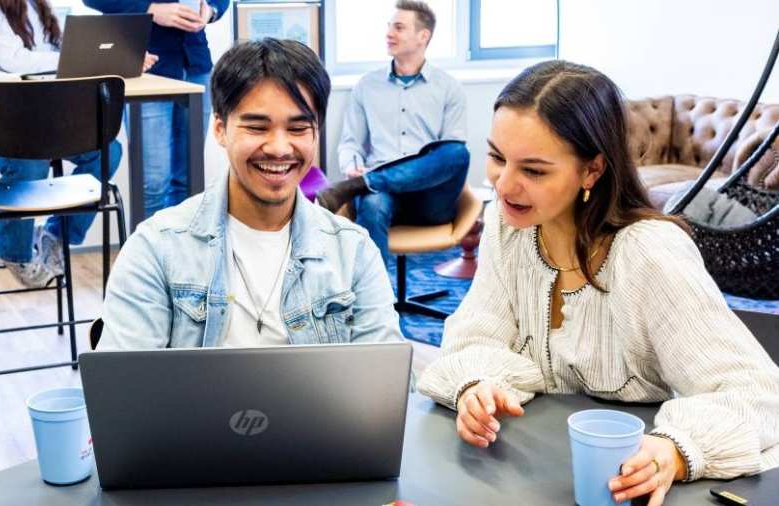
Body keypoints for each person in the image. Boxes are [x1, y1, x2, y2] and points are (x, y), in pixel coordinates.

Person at [416, 60, 779, 506]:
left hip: (634, 483)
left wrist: (675, 452)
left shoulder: (650, 253)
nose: (504, 184)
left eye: (533, 170)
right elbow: (477, 335)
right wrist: (477, 386)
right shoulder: (507, 228)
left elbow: (757, 394)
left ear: (592, 171)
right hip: (537, 473)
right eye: (497, 157)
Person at [97, 38, 403, 350]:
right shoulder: (156, 249)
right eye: (257, 128)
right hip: (194, 402)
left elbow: (385, 378)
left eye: (298, 129)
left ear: (316, 133)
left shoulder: (354, 251)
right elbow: (123, 390)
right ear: (219, 129)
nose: (279, 148)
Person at [0, 0, 134, 288]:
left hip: (28, 120)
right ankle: (12, 248)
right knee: (27, 154)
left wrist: (110, 59)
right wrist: (74, 58)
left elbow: (50, 61)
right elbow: (16, 60)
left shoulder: (36, 6)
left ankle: (55, 236)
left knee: (107, 150)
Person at [317, 0, 470, 265]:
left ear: (423, 36)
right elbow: (350, 143)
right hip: (383, 197)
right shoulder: (366, 86)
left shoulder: (448, 88)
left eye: (398, 27)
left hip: (431, 199)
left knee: (458, 152)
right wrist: (352, 166)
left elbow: (448, 154)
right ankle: (378, 300)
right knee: (373, 205)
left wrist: (364, 181)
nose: (389, 33)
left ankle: (364, 184)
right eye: (389, 26)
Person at [84, 0, 229, 218]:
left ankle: (183, 249)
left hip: (195, 64)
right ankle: (148, 250)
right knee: (153, 182)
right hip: (147, 65)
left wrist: (210, 11)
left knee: (189, 179)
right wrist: (149, 9)